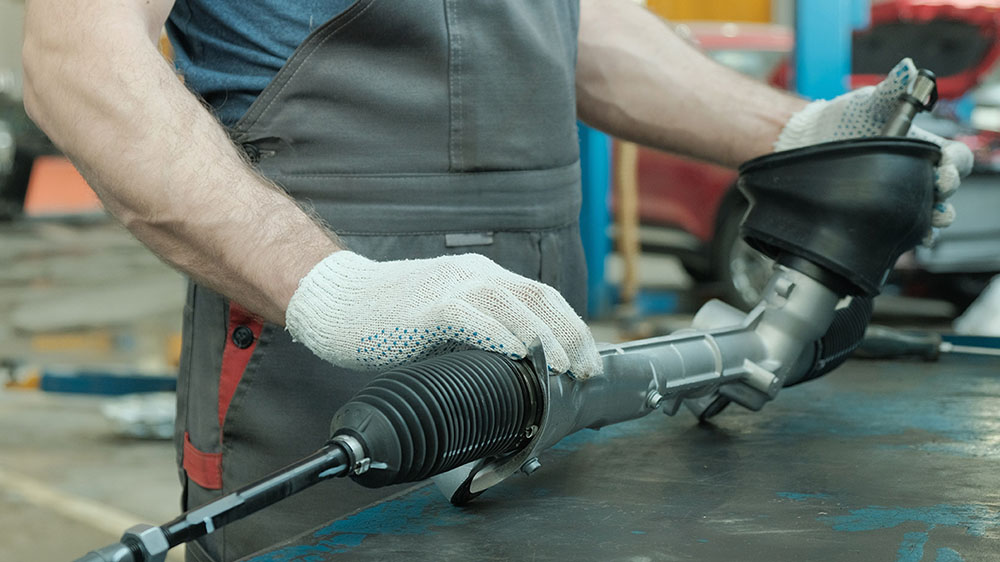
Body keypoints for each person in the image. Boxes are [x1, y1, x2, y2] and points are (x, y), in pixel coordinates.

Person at [22, 1, 971, 560]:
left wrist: (804, 137)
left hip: (534, 321)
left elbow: (575, 24)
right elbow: (77, 56)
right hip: (306, 337)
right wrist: (326, 285)